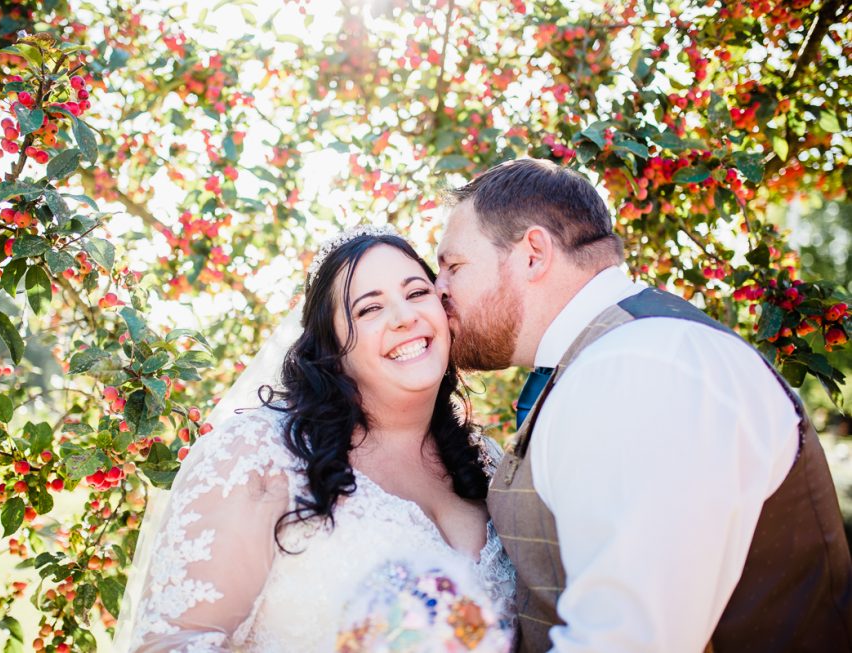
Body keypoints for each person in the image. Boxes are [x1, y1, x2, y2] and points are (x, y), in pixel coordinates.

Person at [434, 157, 852, 653]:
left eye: (453, 266)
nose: (437, 292)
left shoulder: (641, 364)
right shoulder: (608, 360)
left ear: (532, 255)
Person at [122, 225, 516, 652]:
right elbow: (172, 642)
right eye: (369, 310)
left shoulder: (489, 464)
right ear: (331, 349)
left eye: (417, 293)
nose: (404, 317)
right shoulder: (259, 454)